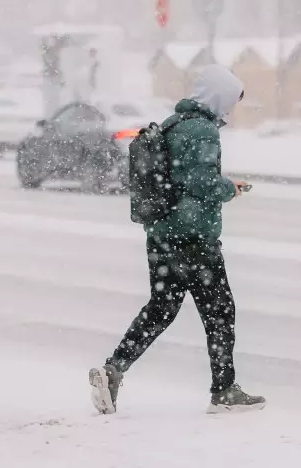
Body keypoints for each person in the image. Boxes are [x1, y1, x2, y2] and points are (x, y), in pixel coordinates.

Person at [89, 64, 265, 415]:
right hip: (193, 236)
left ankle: (113, 371)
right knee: (219, 311)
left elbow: (181, 177)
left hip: (162, 234)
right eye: (229, 100)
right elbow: (199, 183)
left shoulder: (174, 123)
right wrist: (230, 187)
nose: (230, 109)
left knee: (162, 308)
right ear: (218, 97)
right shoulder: (202, 131)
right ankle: (224, 391)